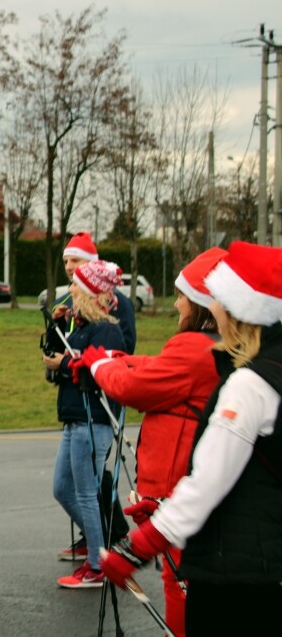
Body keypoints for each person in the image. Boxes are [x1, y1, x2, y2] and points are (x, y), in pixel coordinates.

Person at [101, 241, 282, 635]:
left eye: (218, 298)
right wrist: (164, 505)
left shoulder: (249, 385)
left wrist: (140, 545)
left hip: (237, 574)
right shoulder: (271, 368)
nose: (210, 305)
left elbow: (210, 480)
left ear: (241, 309)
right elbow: (250, 477)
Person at [66, 248, 225, 635]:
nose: (175, 303)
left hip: (176, 488)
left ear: (203, 303)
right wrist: (117, 358)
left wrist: (100, 363)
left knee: (179, 584)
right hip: (181, 488)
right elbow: (156, 367)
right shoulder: (206, 346)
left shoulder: (195, 347)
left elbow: (135, 388)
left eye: (182, 296)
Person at [41, 260, 125, 589]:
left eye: (76, 285)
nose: (70, 290)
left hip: (94, 419)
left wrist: (66, 364)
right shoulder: (81, 326)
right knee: (62, 489)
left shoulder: (107, 330)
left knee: (87, 493)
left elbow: (102, 374)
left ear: (90, 291)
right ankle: (101, 546)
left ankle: (97, 565)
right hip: (74, 418)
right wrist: (55, 329)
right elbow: (61, 355)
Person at [53, 232, 135, 561]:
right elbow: (68, 347)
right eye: (66, 262)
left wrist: (71, 364)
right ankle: (97, 538)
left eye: (76, 262)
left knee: (91, 485)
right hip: (75, 403)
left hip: (98, 407)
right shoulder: (74, 307)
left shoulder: (115, 309)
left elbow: (116, 356)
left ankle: (107, 542)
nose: (70, 270)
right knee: (72, 485)